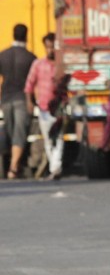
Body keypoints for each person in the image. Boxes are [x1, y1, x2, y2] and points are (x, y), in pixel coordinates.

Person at [0, 24, 37, 179]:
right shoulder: (30, 57)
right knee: (19, 133)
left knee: (9, 131)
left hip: (6, 98)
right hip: (22, 99)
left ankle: (11, 164)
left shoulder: (3, 55)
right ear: (26, 35)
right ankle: (13, 167)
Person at [24, 33, 61, 180]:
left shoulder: (62, 65)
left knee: (59, 139)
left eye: (53, 47)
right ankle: (54, 166)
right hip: (44, 108)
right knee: (48, 140)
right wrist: (30, 102)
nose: (51, 50)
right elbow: (29, 85)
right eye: (48, 47)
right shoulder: (38, 65)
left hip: (60, 108)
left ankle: (55, 168)